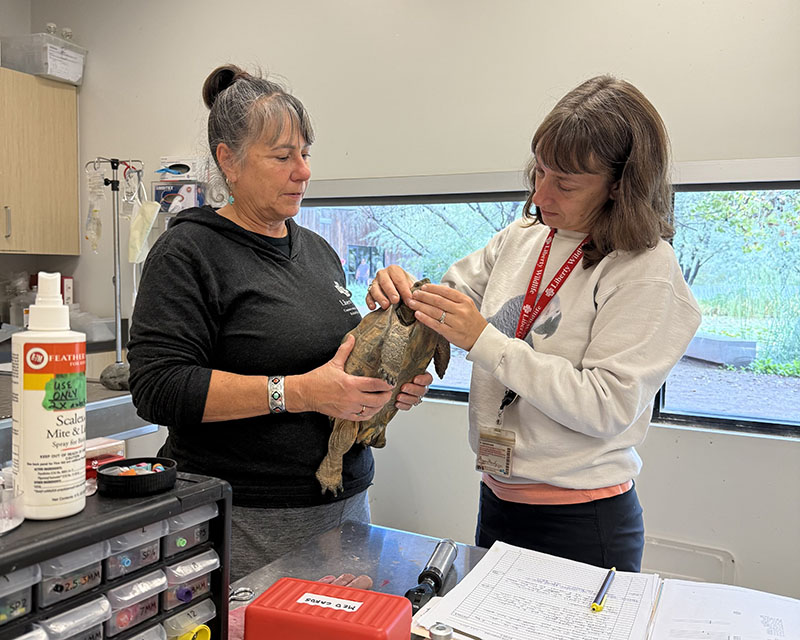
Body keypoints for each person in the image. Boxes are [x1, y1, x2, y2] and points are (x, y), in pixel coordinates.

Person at [368, 75, 701, 572]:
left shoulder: (645, 268)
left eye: (565, 183)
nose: (541, 194)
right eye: (540, 171)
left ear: (619, 185)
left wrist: (484, 340)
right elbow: (450, 300)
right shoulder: (525, 236)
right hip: (499, 498)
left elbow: (606, 406)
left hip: (583, 520)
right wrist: (404, 292)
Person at [127, 64, 432, 582]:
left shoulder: (317, 251)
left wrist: (386, 386)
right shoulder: (188, 251)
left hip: (343, 503)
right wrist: (298, 392)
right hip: (247, 517)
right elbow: (159, 387)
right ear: (230, 161)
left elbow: (329, 369)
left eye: (306, 154)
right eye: (283, 156)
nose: (303, 171)